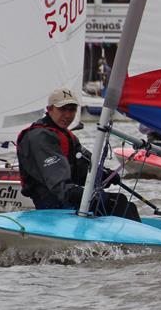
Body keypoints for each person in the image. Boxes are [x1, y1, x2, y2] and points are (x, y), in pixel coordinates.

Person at [17, 87, 140, 221]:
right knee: (116, 204)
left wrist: (104, 175)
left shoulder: (66, 135)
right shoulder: (39, 137)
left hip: (66, 200)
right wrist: (79, 193)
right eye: (62, 109)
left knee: (120, 202)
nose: (68, 115)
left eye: (72, 109)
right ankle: (133, 241)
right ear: (49, 109)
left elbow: (82, 168)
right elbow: (58, 183)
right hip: (52, 205)